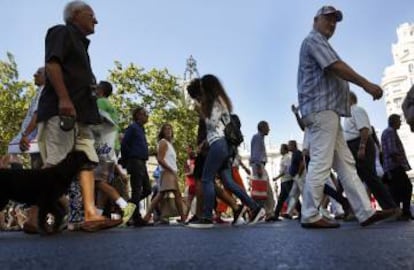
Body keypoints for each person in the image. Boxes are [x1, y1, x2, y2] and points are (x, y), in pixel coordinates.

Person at [297, 5, 396, 228]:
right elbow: (336, 67)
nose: (332, 24)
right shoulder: (313, 40)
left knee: (345, 164)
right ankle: (310, 214)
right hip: (321, 110)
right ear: (315, 20)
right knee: (322, 162)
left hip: (327, 112)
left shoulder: (319, 42)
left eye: (335, 21)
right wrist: (366, 85)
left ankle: (365, 212)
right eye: (328, 19)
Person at [36, 1, 121, 232]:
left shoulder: (82, 47)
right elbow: (52, 65)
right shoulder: (60, 32)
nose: (96, 20)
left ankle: (90, 213)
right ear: (75, 15)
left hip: (82, 117)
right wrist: (64, 98)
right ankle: (34, 216)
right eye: (91, 15)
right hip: (60, 112)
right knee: (54, 163)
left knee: (86, 162)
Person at [186, 74, 265, 228]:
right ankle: (255, 208)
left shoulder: (215, 103)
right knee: (228, 182)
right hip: (224, 147)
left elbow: (212, 125)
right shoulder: (219, 102)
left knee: (206, 179)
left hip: (218, 144)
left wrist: (200, 111)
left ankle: (207, 218)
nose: (199, 95)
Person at [343, 91, 397, 211]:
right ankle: (363, 210)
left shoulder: (356, 110)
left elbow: (364, 129)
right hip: (353, 146)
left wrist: (362, 147)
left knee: (371, 178)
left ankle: (390, 207)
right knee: (361, 179)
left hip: (360, 144)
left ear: (348, 99)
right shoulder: (348, 115)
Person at [92, 81, 136, 226]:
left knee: (97, 181)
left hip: (104, 145)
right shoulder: (110, 105)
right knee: (102, 182)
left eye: (96, 87)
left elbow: (96, 124)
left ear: (101, 90)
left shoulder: (100, 103)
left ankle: (125, 205)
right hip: (113, 146)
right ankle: (97, 215)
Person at [142, 123, 186, 223]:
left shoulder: (170, 144)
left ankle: (147, 216)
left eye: (170, 128)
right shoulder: (163, 142)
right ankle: (183, 218)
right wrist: (170, 169)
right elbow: (160, 159)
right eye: (166, 129)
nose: (168, 130)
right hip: (167, 171)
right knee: (165, 194)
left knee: (166, 194)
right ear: (162, 132)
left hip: (171, 171)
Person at [121, 106, 152, 227]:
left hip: (142, 162)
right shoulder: (132, 128)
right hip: (135, 161)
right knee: (136, 190)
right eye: (144, 114)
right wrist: (127, 160)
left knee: (147, 189)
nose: (146, 116)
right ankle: (135, 218)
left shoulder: (141, 129)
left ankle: (128, 209)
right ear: (138, 116)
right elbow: (124, 144)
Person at [381, 114, 413, 220]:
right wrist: (401, 163)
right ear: (393, 121)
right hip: (394, 166)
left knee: (397, 190)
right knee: (407, 187)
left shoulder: (390, 132)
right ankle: (404, 212)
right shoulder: (390, 132)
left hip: (392, 167)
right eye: (399, 121)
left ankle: (401, 213)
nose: (400, 122)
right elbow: (392, 150)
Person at [250, 121, 276, 221]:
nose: (269, 129)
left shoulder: (259, 137)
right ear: (263, 127)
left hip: (258, 165)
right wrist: (259, 167)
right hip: (259, 166)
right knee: (265, 190)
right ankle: (268, 213)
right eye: (267, 127)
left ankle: (264, 212)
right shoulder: (258, 138)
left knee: (261, 191)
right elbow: (256, 154)